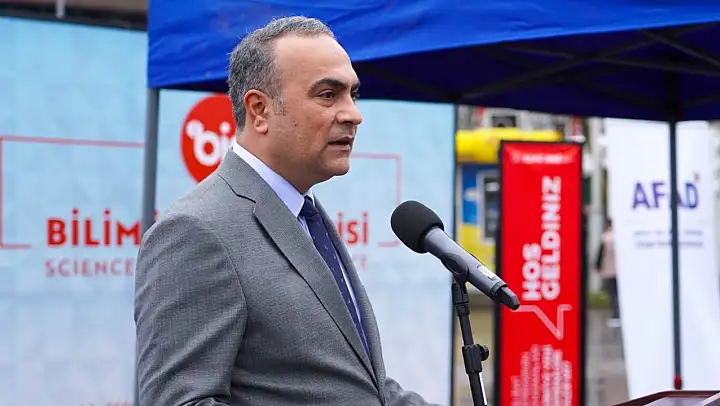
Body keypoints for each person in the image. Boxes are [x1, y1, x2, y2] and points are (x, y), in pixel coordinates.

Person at [134, 16, 440, 406]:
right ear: (259, 110)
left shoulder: (305, 213)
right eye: (328, 95)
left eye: (352, 94)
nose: (353, 114)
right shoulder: (195, 231)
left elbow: (362, 388)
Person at [594, 218, 620, 328]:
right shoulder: (620, 237)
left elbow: (600, 253)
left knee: (612, 292)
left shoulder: (605, 237)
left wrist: (597, 266)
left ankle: (615, 314)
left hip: (610, 269)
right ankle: (619, 313)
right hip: (620, 270)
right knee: (619, 292)